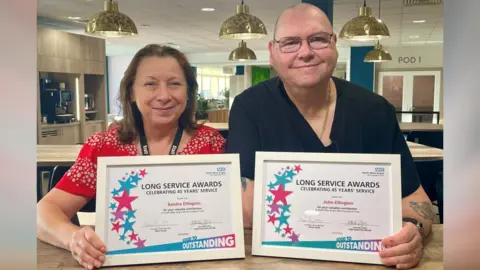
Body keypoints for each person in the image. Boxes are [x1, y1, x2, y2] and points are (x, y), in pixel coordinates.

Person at [226, 4, 434, 270]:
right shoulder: (249, 108)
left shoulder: (375, 110)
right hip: (281, 260)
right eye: (290, 42)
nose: (305, 52)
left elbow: (416, 200)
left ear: (334, 43)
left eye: (318, 39)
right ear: (272, 52)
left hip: (369, 261)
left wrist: (414, 230)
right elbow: (247, 209)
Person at [36, 44, 225, 270]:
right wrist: (74, 238)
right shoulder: (105, 146)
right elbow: (43, 212)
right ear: (132, 92)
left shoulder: (213, 144)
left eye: (175, 84)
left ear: (188, 92)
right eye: (150, 84)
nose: (164, 96)